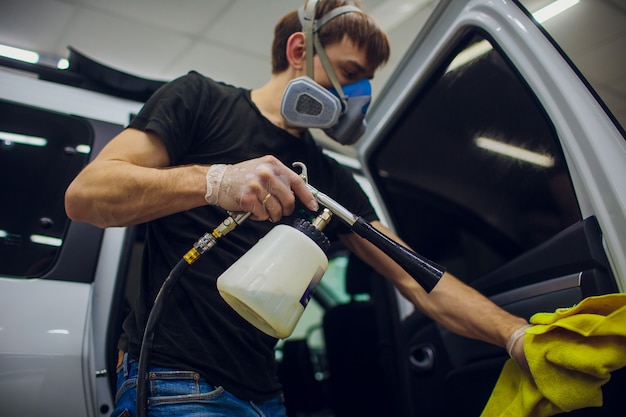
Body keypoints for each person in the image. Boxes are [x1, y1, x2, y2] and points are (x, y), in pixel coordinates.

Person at [65, 1, 530, 416]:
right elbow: (86, 195)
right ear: (297, 51)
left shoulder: (330, 179)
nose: (355, 96)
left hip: (265, 396)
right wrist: (215, 180)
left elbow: (416, 277)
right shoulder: (201, 101)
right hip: (179, 385)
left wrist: (516, 336)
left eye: (364, 83)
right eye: (349, 74)